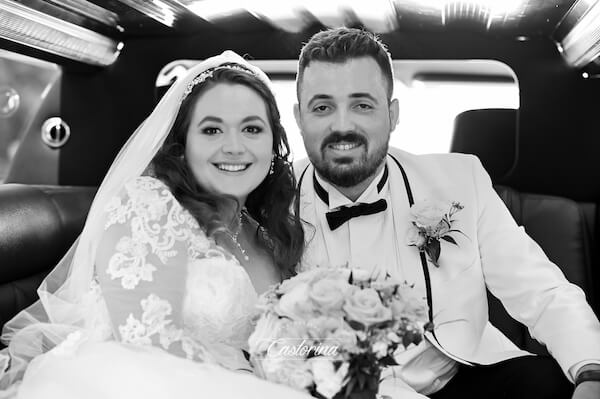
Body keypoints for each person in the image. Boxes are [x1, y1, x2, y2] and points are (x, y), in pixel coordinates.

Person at [293, 27, 600, 399]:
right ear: (299, 117)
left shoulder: (459, 180)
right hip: (327, 390)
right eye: (322, 107)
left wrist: (591, 370)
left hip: (458, 379)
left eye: (362, 105)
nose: (342, 125)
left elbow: (540, 289)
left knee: (548, 385)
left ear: (392, 114)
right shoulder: (268, 200)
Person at [0, 51, 310, 399]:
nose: (234, 146)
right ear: (182, 145)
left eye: (252, 128)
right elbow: (149, 345)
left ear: (273, 143)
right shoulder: (146, 204)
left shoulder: (267, 232)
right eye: (211, 129)